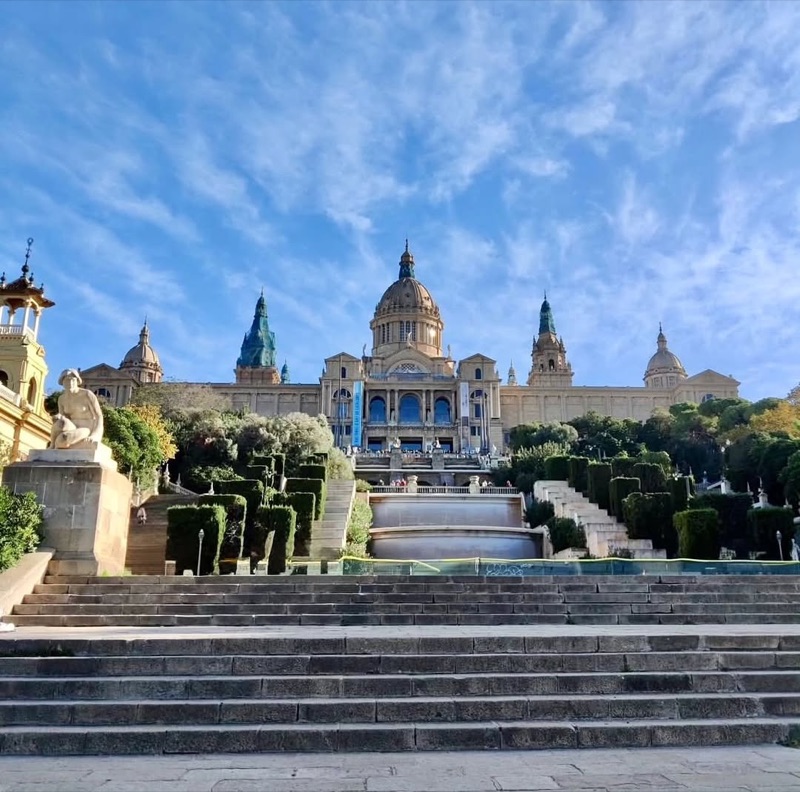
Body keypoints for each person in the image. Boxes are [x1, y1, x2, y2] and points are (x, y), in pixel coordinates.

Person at [49, 369, 104, 450]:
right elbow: (63, 420)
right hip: (71, 426)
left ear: (77, 381)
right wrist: (58, 417)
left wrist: (95, 435)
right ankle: (52, 445)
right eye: (67, 380)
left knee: (63, 440)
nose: (70, 383)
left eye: (73, 380)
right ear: (62, 383)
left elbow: (99, 416)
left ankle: (57, 444)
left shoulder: (87, 394)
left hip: (87, 428)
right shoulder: (62, 398)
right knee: (59, 424)